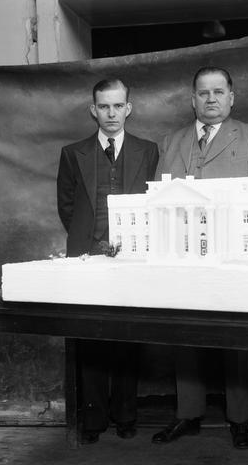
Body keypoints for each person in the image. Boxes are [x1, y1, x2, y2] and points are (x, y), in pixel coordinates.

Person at [152, 66, 248, 449]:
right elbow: (158, 197)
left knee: (233, 335)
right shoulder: (171, 141)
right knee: (184, 333)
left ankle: (239, 419)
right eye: (203, 93)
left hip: (233, 253)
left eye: (218, 92)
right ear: (193, 99)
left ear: (231, 97)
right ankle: (188, 414)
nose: (211, 99)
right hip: (183, 254)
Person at [57, 78, 158, 443]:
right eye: (104, 106)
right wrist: (90, 241)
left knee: (127, 337)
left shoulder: (148, 151)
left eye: (118, 106)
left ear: (128, 108)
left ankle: (126, 415)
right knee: (90, 339)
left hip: (133, 258)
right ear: (93, 109)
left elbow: (152, 202)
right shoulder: (73, 153)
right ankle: (94, 420)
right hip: (86, 257)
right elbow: (66, 208)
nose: (111, 113)